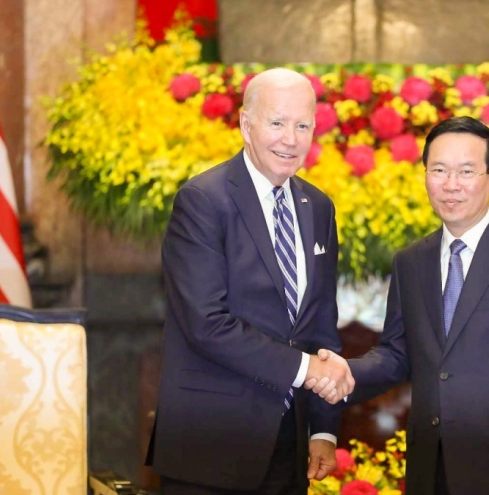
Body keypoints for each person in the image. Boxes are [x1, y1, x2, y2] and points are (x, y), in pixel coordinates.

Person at [309, 117, 489, 495]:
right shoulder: (410, 261)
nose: (450, 184)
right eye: (438, 170)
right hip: (430, 467)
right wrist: (344, 373)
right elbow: (396, 353)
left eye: (466, 171)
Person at [146, 68, 355, 495]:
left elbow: (319, 325)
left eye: (302, 126)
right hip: (210, 444)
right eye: (277, 123)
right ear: (245, 124)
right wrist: (307, 370)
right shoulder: (203, 200)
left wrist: (323, 429)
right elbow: (206, 323)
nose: (290, 139)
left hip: (288, 444)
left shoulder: (318, 207)